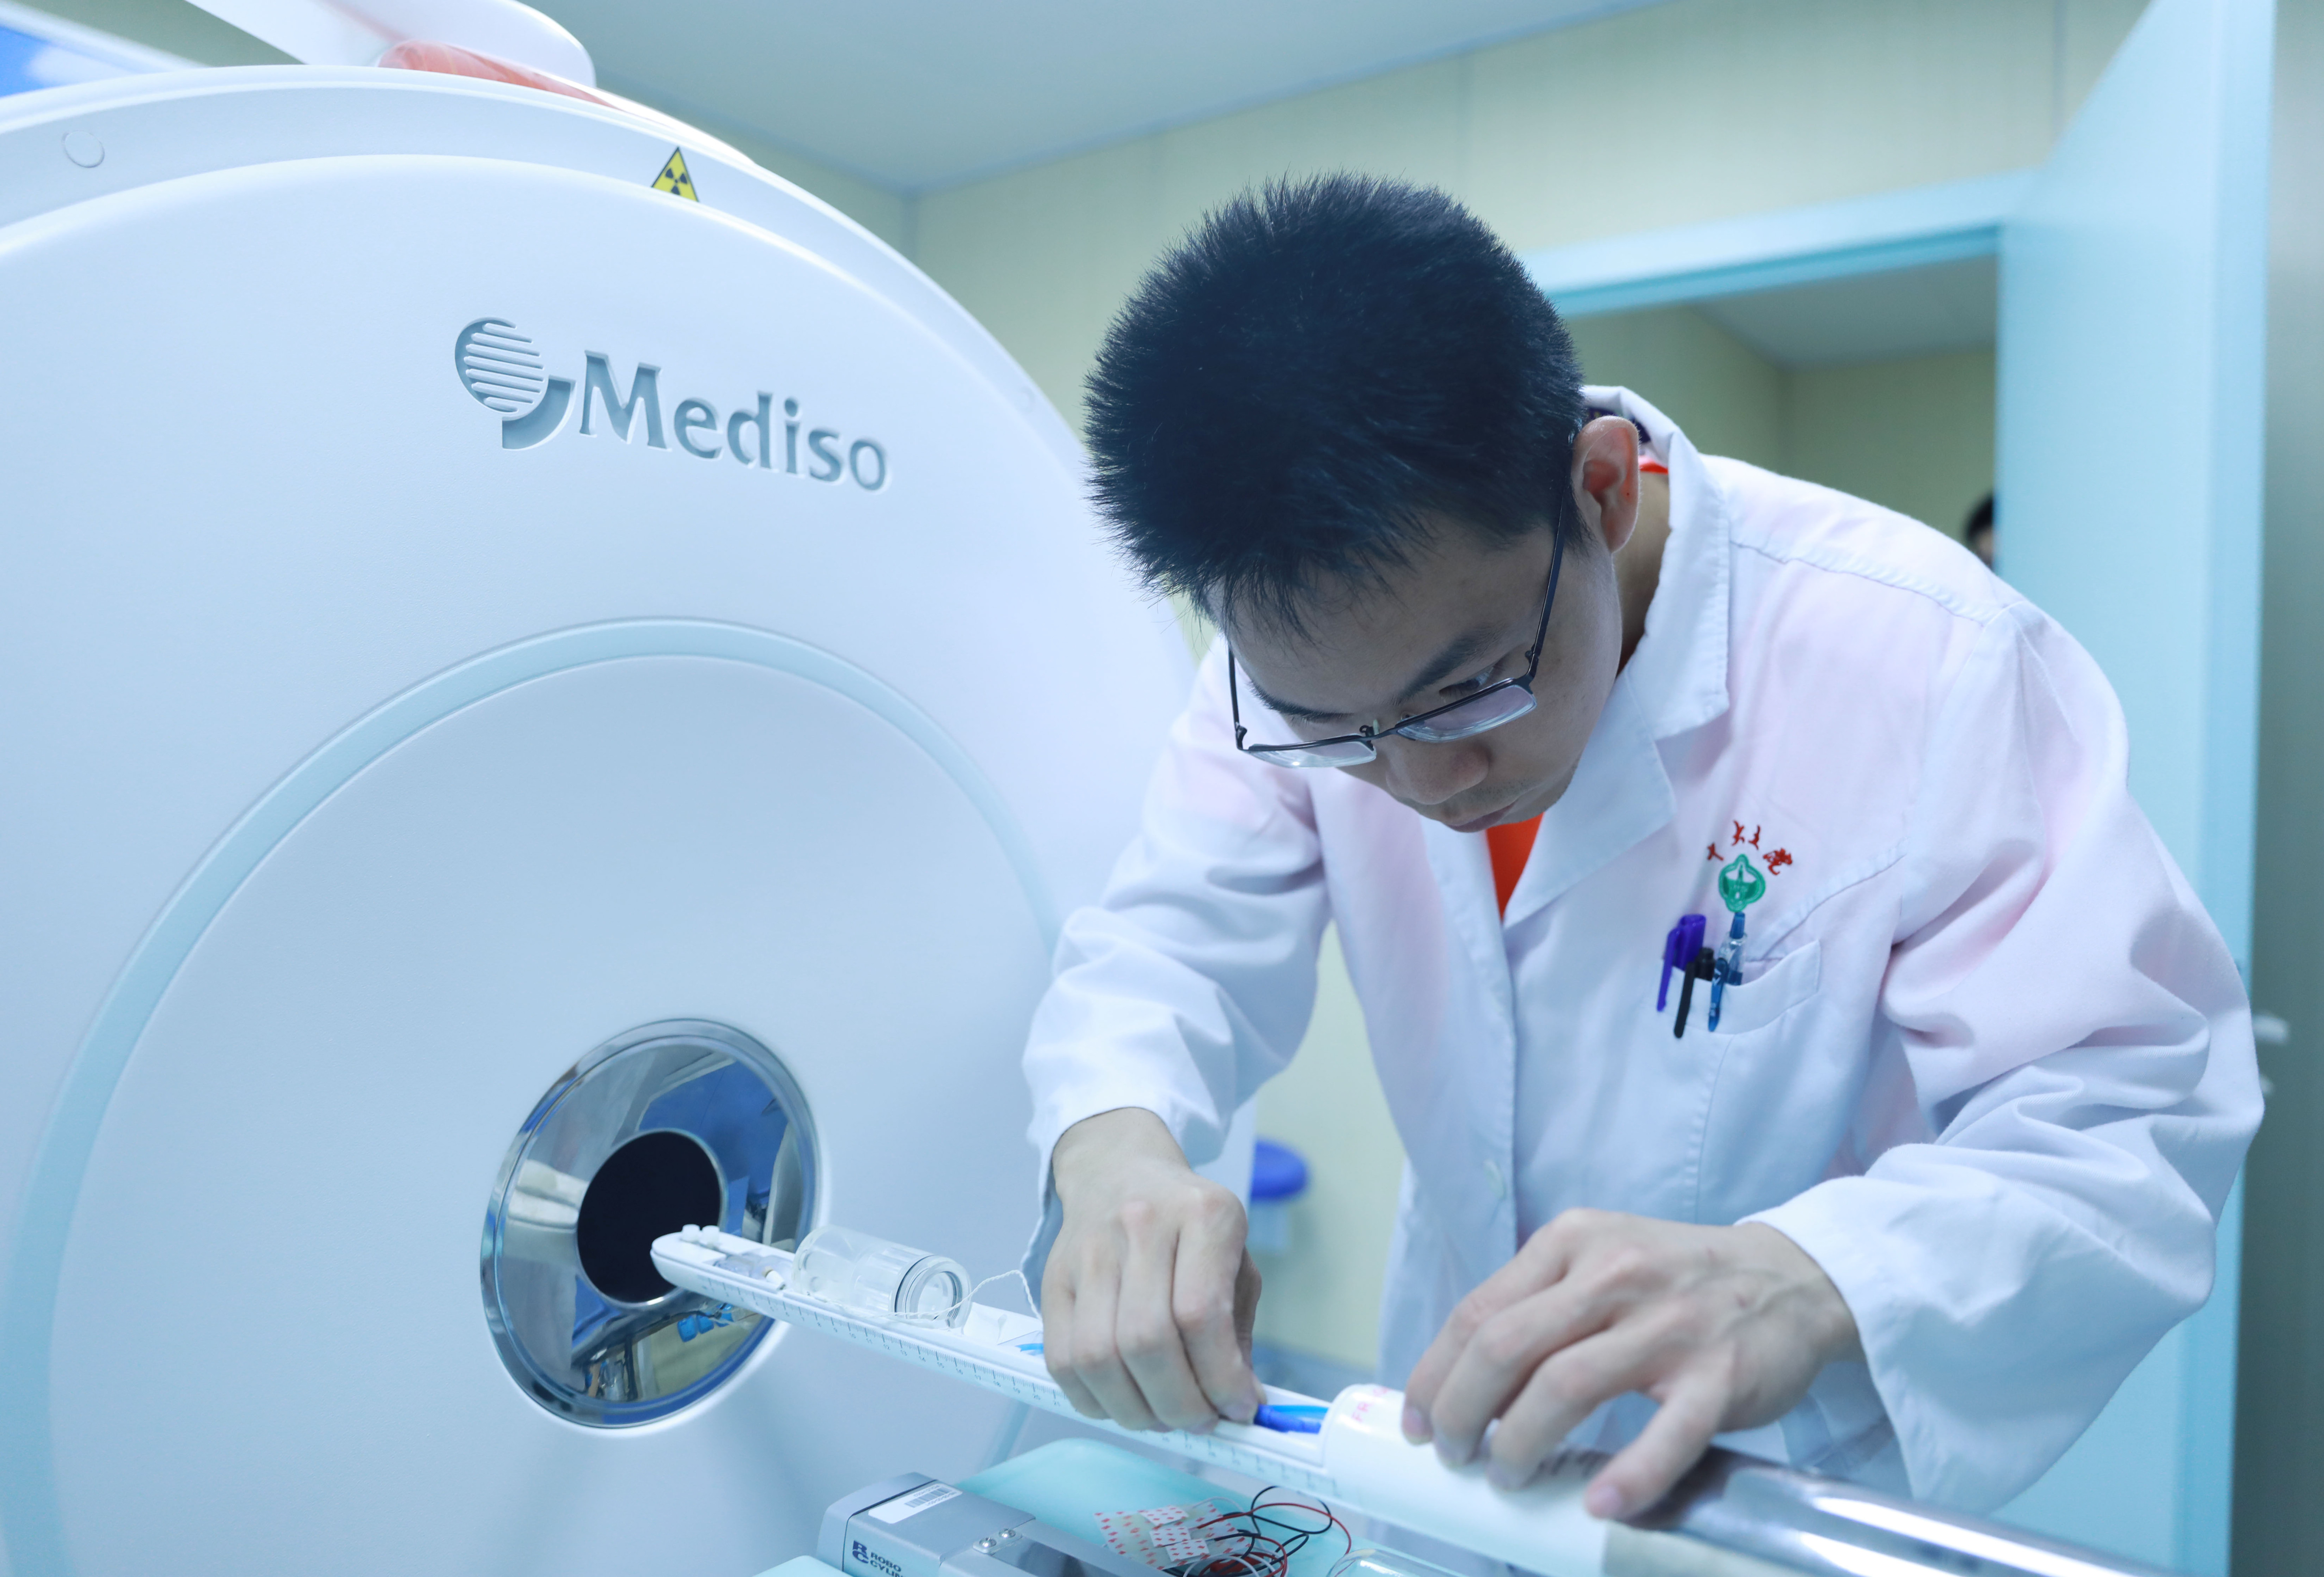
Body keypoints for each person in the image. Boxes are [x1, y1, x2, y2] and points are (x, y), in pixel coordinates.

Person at [1019, 176, 2258, 1521]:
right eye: (1337, 735)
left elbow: (2128, 1113)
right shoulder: (1304, 672)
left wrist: (1809, 1275)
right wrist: (1116, 1148)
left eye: (1468, 689)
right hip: (1453, 1442)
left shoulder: (1926, 658)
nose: (1422, 783)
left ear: (1601, 490)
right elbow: (1169, 940)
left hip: (1772, 1487)